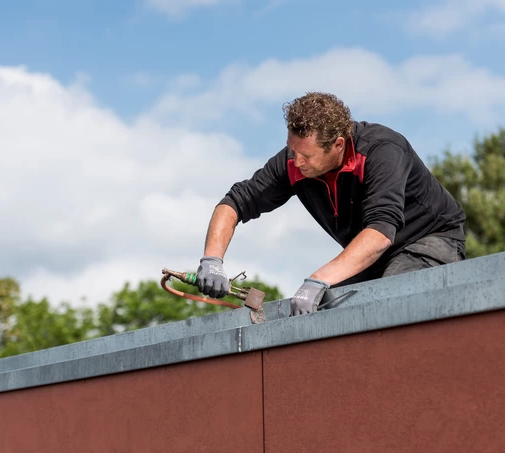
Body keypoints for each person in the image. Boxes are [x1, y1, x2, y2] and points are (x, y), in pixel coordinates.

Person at [195, 92, 466, 316]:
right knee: (324, 313)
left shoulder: (383, 150)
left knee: (389, 308)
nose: (297, 162)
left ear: (337, 144)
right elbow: (234, 202)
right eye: (292, 150)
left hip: (429, 241)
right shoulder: (293, 162)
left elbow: (380, 233)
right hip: (373, 257)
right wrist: (212, 260)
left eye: (306, 155)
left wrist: (317, 279)